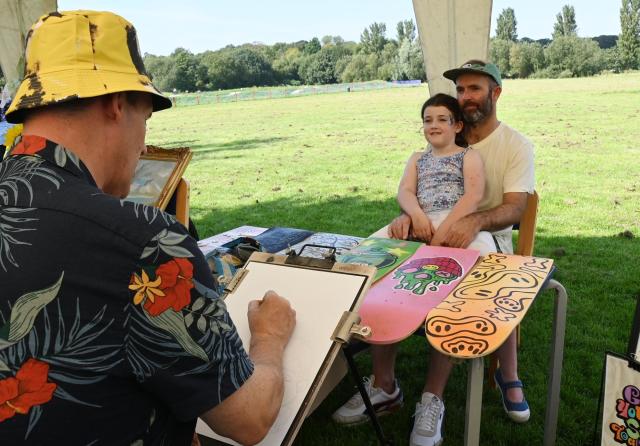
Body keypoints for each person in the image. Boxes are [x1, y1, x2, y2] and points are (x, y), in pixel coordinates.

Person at [0, 10, 295, 446]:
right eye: (146, 118)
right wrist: (269, 337)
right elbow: (248, 419)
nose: (142, 143)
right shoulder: (144, 241)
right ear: (116, 104)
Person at [332, 61, 534, 446]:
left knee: (454, 297)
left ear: (495, 93)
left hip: (483, 239)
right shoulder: (435, 145)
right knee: (376, 275)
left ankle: (436, 397)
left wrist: (472, 222)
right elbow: (416, 188)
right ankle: (384, 385)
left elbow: (514, 207)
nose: (465, 97)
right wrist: (410, 214)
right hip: (429, 231)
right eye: (460, 90)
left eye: (473, 89)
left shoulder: (513, 145)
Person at [395, 92, 493, 254]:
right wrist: (416, 216)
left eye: (442, 119)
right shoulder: (417, 158)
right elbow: (405, 191)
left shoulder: (468, 155)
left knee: (481, 255)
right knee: (378, 252)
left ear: (457, 126)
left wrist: (440, 237)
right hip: (421, 223)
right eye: (428, 120)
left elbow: (473, 196)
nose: (433, 125)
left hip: (456, 224)